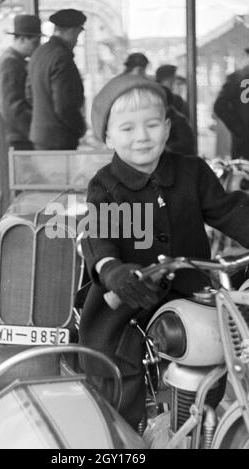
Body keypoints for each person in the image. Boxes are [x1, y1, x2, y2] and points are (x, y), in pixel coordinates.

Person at [78, 73, 249, 430]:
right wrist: (112, 270)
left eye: (152, 124)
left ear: (168, 127)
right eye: (127, 129)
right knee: (115, 361)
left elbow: (229, 211)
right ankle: (124, 434)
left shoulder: (192, 172)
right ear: (108, 136)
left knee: (221, 342)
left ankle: (200, 418)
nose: (142, 136)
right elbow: (101, 237)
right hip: (128, 293)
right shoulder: (107, 184)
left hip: (190, 288)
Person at [0, 14, 42, 221]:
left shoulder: (12, 60)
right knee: (9, 191)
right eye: (35, 41)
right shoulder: (11, 63)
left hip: (8, 135)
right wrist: (35, 134)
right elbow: (12, 108)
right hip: (9, 137)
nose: (37, 46)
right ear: (22, 39)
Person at [28, 9, 86, 150]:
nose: (77, 40)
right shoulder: (62, 57)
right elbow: (65, 105)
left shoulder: (39, 52)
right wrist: (80, 127)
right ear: (71, 31)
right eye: (78, 33)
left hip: (40, 137)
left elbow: (28, 94)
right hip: (59, 140)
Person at [213, 48, 249, 159]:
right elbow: (220, 105)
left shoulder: (238, 77)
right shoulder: (239, 78)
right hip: (245, 145)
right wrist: (240, 129)